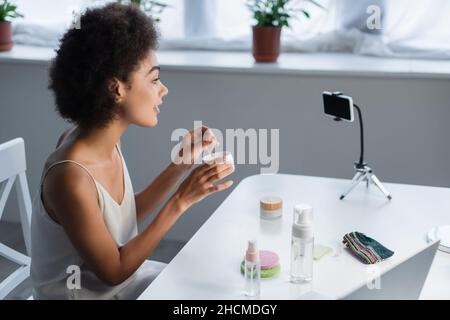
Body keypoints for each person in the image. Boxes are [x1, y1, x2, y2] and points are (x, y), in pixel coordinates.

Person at [30, 3, 234, 300]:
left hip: (119, 285)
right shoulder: (70, 177)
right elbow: (113, 270)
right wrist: (181, 200)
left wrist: (180, 166)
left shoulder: (104, 140)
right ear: (116, 90)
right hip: (88, 295)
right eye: (154, 80)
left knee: (212, 287)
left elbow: (121, 219)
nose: (163, 90)